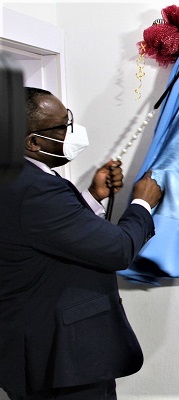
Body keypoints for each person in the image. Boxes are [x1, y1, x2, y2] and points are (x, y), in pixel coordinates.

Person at [0, 87, 164, 399]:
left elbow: (44, 233)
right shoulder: (34, 188)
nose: (72, 132)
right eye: (62, 126)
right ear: (33, 143)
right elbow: (119, 249)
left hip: (36, 351)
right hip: (61, 360)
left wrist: (92, 196)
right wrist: (142, 204)